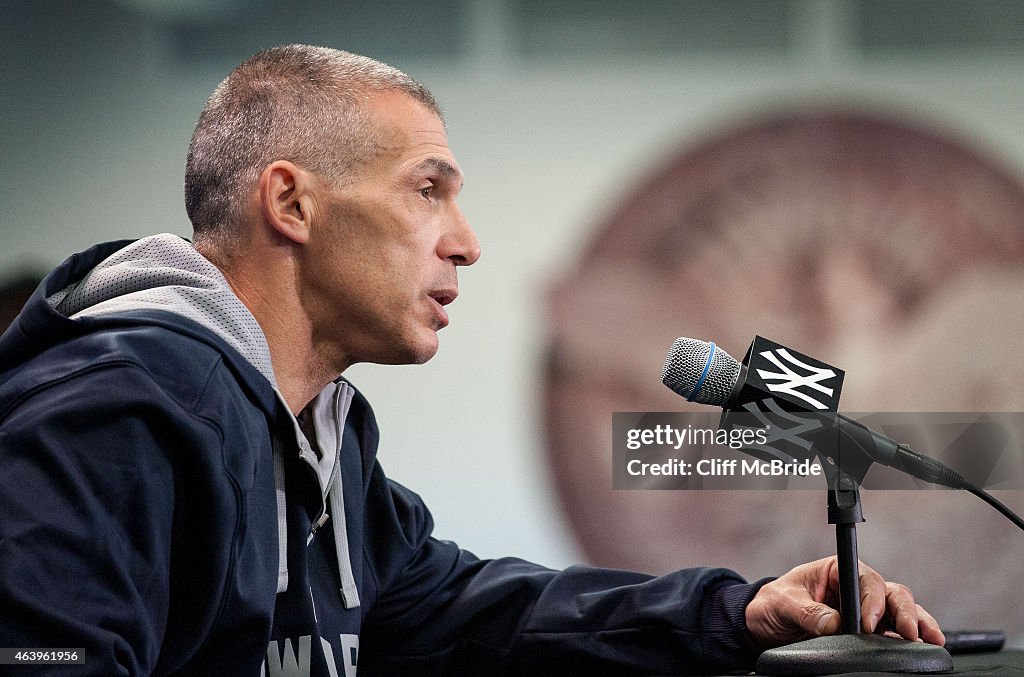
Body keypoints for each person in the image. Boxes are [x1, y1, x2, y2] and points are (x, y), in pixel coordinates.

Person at [0, 44, 942, 676]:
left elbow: (453, 607)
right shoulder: (119, 413)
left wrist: (734, 614)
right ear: (291, 204)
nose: (467, 241)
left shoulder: (323, 434)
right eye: (427, 190)